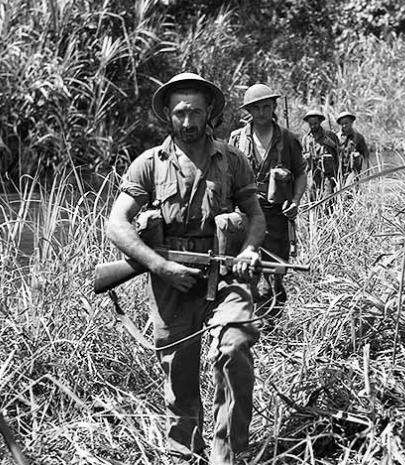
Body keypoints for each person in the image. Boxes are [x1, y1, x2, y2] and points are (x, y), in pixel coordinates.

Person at [105, 72, 266, 465]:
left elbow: (256, 216)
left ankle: (229, 453)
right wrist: (159, 266)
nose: (189, 121)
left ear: (209, 111)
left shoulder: (233, 159)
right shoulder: (148, 164)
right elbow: (117, 223)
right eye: (180, 113)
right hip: (171, 282)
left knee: (235, 345)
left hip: (225, 275)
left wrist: (249, 251)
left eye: (195, 111)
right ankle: (185, 453)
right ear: (168, 115)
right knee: (179, 371)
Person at [228, 84, 307, 323]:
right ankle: (249, 324)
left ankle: (272, 325)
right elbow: (226, 176)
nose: (261, 112)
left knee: (274, 273)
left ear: (273, 107)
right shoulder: (236, 139)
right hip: (245, 215)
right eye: (256, 108)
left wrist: (295, 201)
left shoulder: (288, 139)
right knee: (245, 271)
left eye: (266, 107)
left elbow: (301, 173)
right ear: (249, 111)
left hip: (276, 217)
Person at [301, 109, 339, 201]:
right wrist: (306, 157)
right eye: (310, 124)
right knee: (312, 197)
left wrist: (333, 145)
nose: (313, 126)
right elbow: (302, 158)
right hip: (312, 173)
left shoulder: (330, 135)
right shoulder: (306, 139)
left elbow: (339, 153)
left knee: (327, 198)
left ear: (320, 122)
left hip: (327, 174)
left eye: (315, 123)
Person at [336, 110, 369, 185]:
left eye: (346, 123)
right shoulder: (337, 137)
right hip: (339, 171)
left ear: (351, 122)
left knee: (349, 188)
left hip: (353, 171)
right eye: (342, 124)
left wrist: (366, 174)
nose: (344, 126)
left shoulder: (358, 137)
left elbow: (366, 156)